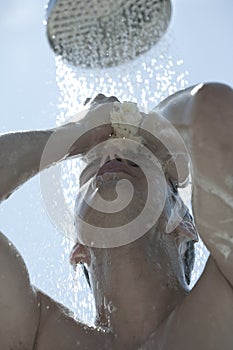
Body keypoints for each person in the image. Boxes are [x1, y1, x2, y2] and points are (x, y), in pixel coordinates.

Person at [0, 83, 232, 350]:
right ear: (78, 247)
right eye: (92, 167)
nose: (112, 154)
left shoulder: (225, 294)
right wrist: (74, 134)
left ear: (184, 224)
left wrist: (158, 133)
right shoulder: (37, 333)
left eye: (138, 157)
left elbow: (210, 109)